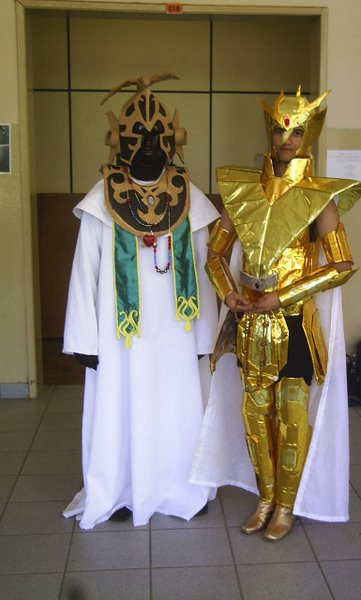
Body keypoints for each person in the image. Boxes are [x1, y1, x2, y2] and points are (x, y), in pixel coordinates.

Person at [190, 86, 361, 541]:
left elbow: (343, 265)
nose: (286, 140)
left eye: (297, 131)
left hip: (294, 324)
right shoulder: (243, 191)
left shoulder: (319, 198)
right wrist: (229, 293)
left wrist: (284, 296)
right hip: (249, 321)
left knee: (291, 415)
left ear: (309, 135)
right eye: (279, 129)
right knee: (255, 416)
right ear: (269, 131)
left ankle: (286, 504)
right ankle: (265, 498)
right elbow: (215, 254)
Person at [63, 74, 219, 529]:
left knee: (177, 409)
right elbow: (85, 271)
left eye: (157, 135)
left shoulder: (190, 199)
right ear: (120, 140)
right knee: (120, 409)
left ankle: (181, 487)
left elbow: (205, 270)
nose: (149, 144)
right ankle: (121, 489)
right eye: (139, 135)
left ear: (173, 139)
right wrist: (84, 339)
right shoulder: (101, 200)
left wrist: (205, 335)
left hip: (177, 334)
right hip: (119, 339)